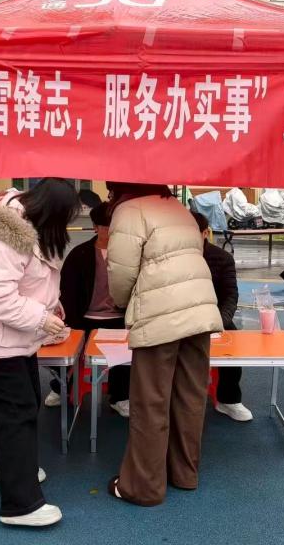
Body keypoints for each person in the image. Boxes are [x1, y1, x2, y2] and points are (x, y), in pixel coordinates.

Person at [0, 178, 79, 527]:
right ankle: (19, 506)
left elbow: (33, 282)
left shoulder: (26, 229)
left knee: (23, 406)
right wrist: (41, 318)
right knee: (17, 413)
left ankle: (13, 469)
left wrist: (51, 307)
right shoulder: (3, 240)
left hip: (13, 338)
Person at [105, 182, 223, 507]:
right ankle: (184, 474)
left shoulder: (129, 211)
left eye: (111, 191)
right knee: (189, 397)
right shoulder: (178, 208)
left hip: (160, 315)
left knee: (150, 401)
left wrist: (122, 304)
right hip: (200, 311)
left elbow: (120, 273)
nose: (110, 198)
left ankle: (143, 487)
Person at [45, 202, 131, 416]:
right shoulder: (80, 254)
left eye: (115, 226)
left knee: (126, 351)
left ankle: (120, 396)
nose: (111, 231)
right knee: (65, 347)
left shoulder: (129, 255)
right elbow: (67, 290)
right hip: (84, 317)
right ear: (95, 227)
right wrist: (67, 321)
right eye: (106, 226)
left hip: (118, 317)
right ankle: (61, 388)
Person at [191, 211, 252, 422]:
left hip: (215, 316)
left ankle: (229, 399)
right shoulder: (172, 257)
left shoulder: (222, 258)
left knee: (232, 344)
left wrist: (221, 321)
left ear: (204, 233)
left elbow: (230, 295)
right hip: (180, 317)